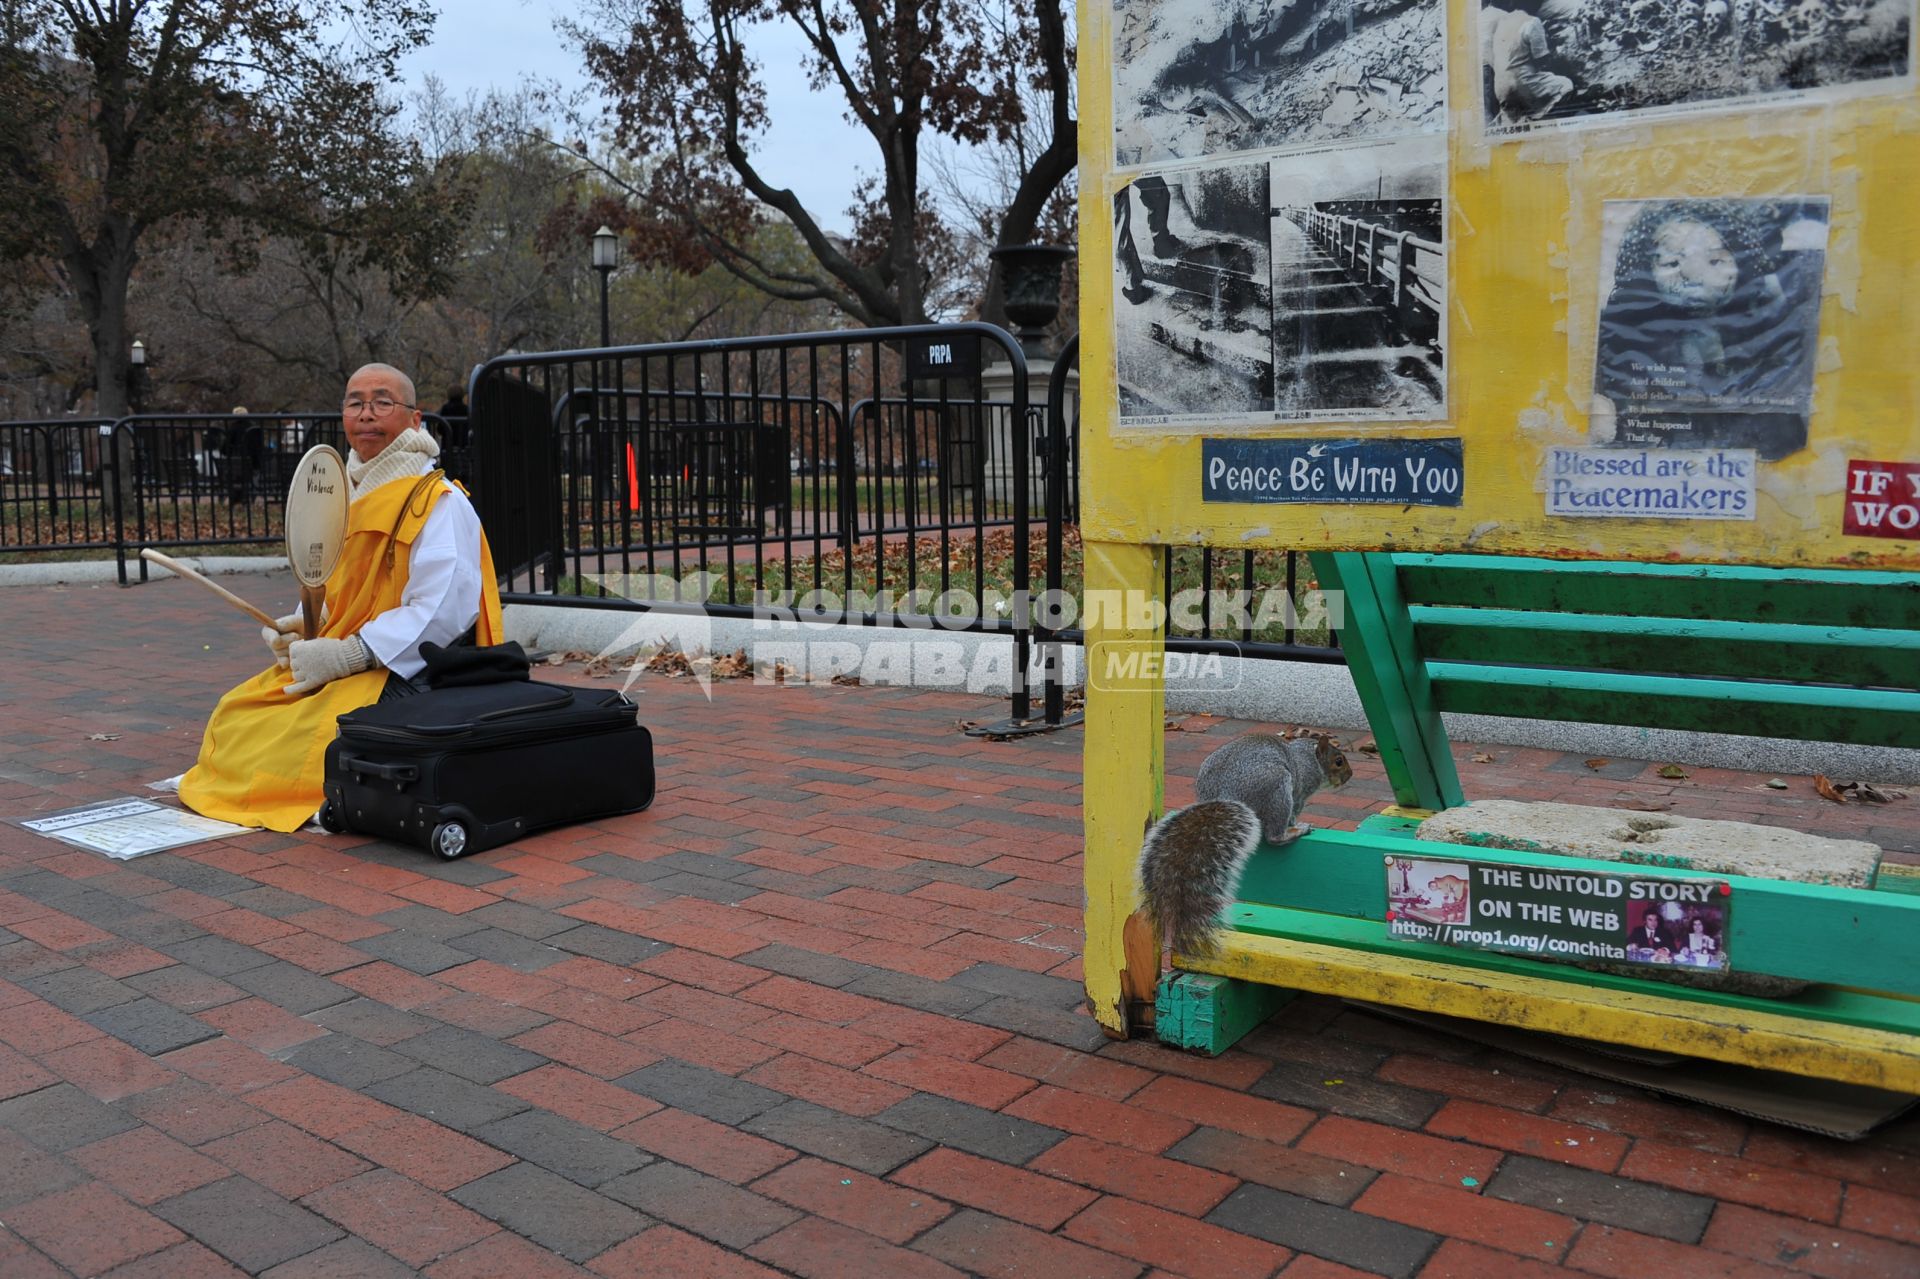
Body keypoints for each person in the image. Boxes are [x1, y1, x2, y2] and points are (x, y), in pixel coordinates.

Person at [179, 363, 505, 832]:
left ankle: (311, 797)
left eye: (382, 402)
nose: (367, 414)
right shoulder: (343, 496)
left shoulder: (439, 500)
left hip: (411, 670)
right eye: (356, 403)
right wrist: (303, 625)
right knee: (240, 710)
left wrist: (352, 653)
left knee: (292, 732)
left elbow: (443, 612)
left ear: (415, 420)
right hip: (350, 660)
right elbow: (337, 585)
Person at [1491, 0, 1574, 121]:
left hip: (1500, 90)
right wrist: (1552, 46)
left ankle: (1534, 117)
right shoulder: (1533, 21)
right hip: (1523, 85)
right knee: (1567, 85)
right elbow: (1542, 60)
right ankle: (1548, 122)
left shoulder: (1502, 22)